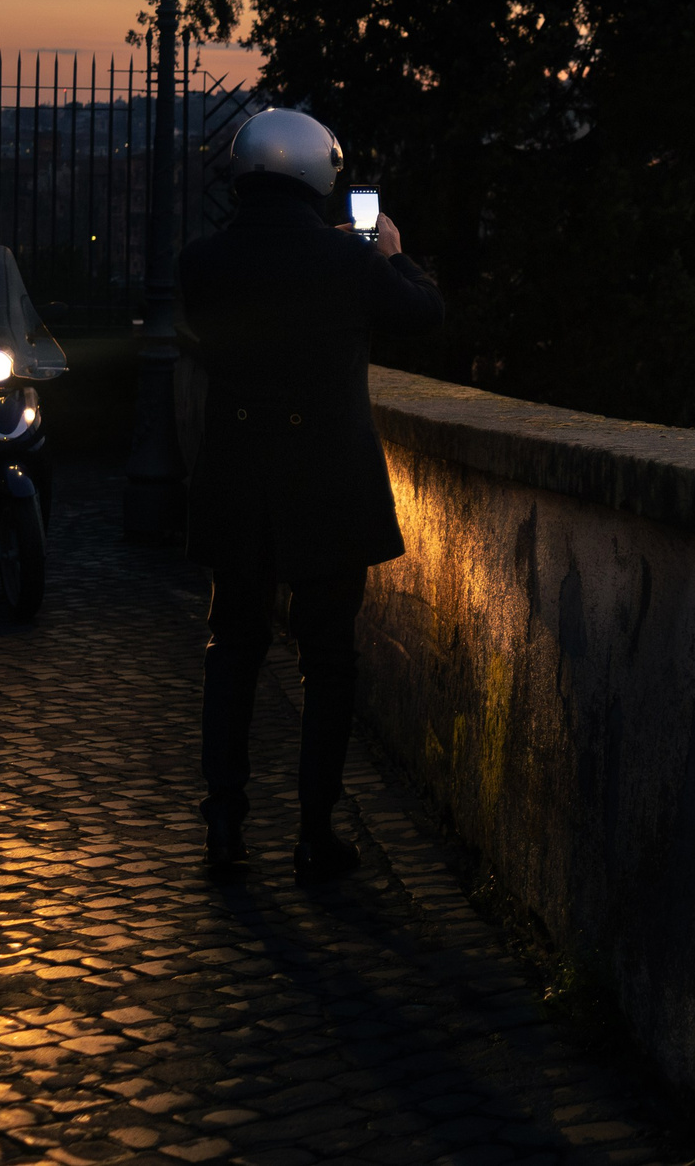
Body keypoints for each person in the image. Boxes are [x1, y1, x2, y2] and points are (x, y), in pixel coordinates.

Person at [177, 108, 443, 881]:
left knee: (231, 651)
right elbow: (425, 315)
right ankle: (314, 831)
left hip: (234, 483)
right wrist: (393, 256)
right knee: (327, 661)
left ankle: (224, 827)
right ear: (314, 173)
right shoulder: (349, 263)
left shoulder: (202, 260)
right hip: (325, 486)